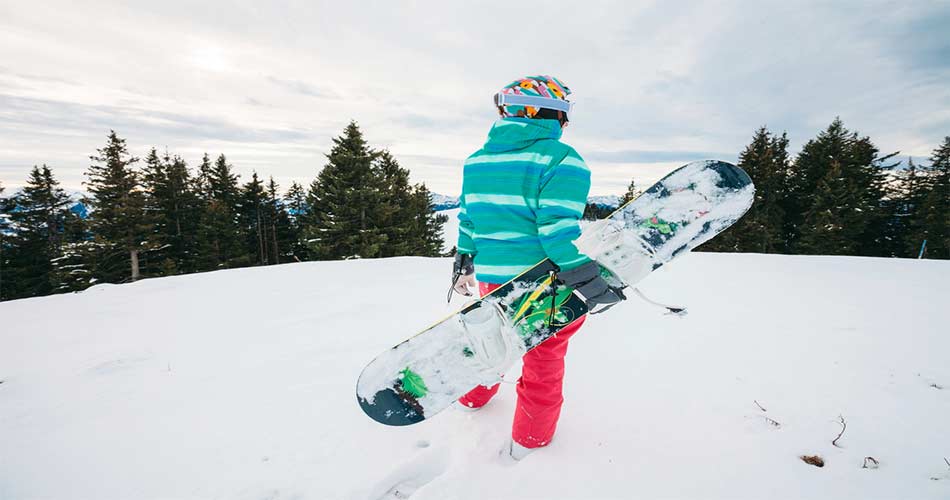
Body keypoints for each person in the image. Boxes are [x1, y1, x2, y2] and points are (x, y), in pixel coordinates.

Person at [449, 75, 624, 460]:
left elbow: (469, 220)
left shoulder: (477, 161)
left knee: (494, 339)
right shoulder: (562, 160)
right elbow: (557, 231)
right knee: (543, 358)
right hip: (543, 283)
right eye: (565, 114)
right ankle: (530, 442)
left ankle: (473, 399)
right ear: (550, 114)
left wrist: (464, 260)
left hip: (494, 279)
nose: (567, 124)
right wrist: (585, 275)